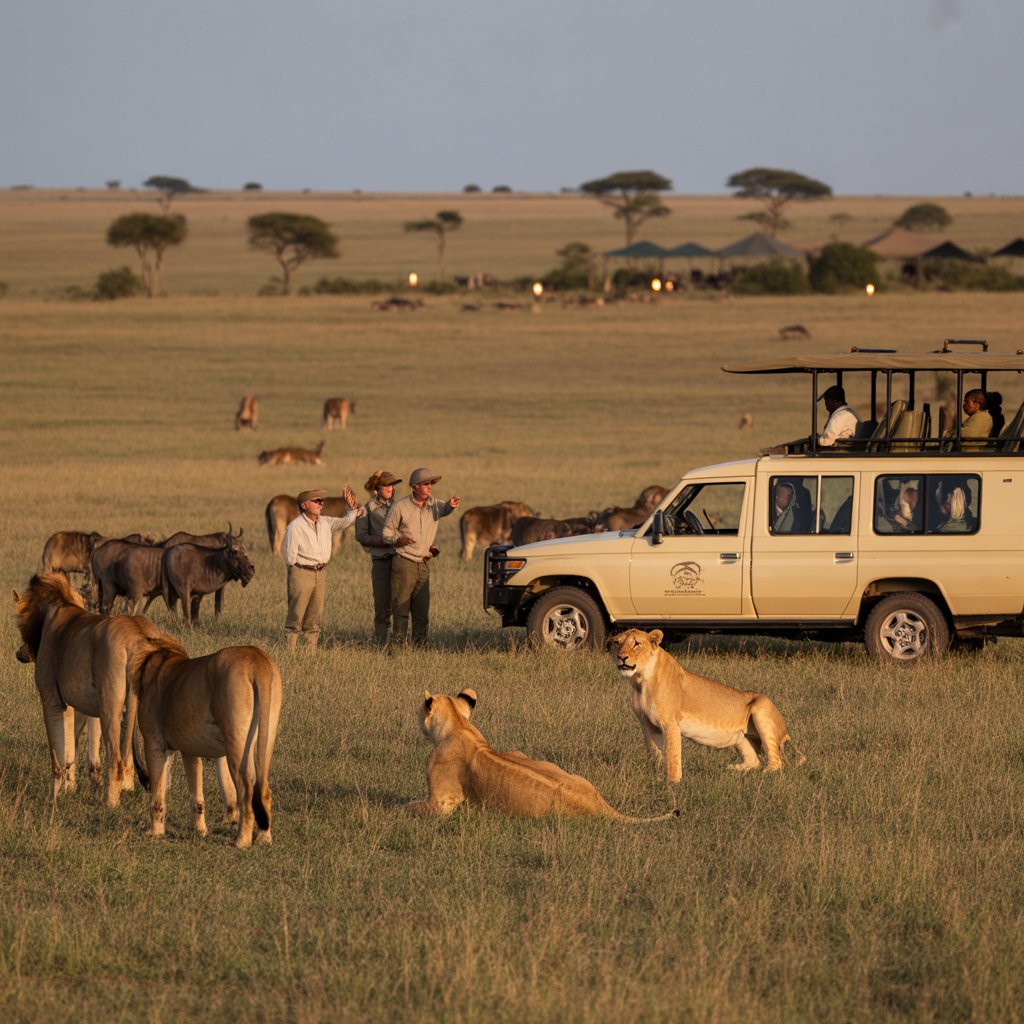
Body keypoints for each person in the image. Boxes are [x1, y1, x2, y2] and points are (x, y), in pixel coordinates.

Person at [382, 467, 460, 645]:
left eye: (431, 483)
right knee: (401, 608)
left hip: (423, 564)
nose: (429, 487)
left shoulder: (434, 504)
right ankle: (398, 648)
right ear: (415, 487)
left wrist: (451, 505)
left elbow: (445, 508)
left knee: (422, 612)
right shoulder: (400, 506)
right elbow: (386, 533)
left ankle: (420, 648)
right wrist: (397, 540)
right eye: (425, 484)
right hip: (404, 563)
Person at [283, 486, 362, 650]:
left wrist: (350, 506)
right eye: (316, 501)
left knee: (315, 613)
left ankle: (310, 650)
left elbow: (346, 521)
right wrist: (299, 569)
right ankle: (290, 650)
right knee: (296, 613)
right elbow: (289, 556)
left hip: (320, 572)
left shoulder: (326, 522)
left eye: (321, 501)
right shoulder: (295, 527)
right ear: (305, 505)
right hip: (301, 572)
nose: (321, 503)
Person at [355, 469, 403, 646]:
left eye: (392, 484)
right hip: (381, 561)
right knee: (382, 607)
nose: (390, 488)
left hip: (401, 560)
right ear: (378, 488)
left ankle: (400, 644)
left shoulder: (401, 506)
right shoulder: (366, 509)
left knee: (401, 605)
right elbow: (360, 536)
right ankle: (381, 644)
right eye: (386, 485)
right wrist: (381, 542)